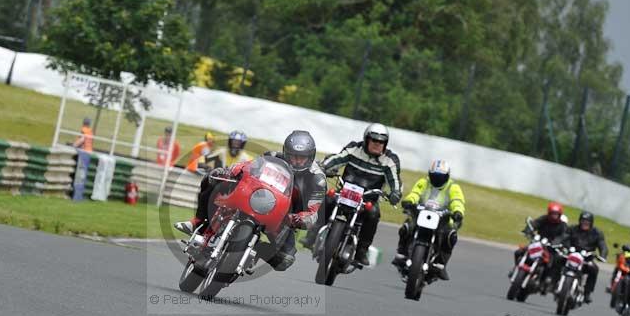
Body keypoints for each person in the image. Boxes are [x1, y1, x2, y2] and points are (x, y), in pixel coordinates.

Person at [174, 130, 325, 271]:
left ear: (310, 157)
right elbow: (248, 166)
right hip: (257, 198)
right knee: (212, 179)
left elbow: (313, 212)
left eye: (302, 158)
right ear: (286, 152)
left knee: (285, 260)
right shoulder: (273, 157)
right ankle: (198, 221)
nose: (297, 161)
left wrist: (298, 219)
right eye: (293, 156)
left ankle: (255, 248)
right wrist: (230, 171)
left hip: (284, 217)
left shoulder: (317, 179)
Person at [303, 122, 402, 267]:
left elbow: (395, 181)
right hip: (345, 191)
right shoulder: (354, 148)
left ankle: (362, 250)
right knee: (329, 198)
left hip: (368, 198)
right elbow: (337, 159)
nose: (377, 144)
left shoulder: (390, 160)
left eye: (381, 142)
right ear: (366, 139)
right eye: (374, 140)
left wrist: (395, 193)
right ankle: (312, 235)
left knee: (373, 214)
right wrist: (323, 167)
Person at [392, 159, 465, 281]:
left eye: (440, 177)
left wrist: (458, 212)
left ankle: (441, 264)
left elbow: (457, 200)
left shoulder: (453, 187)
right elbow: (415, 193)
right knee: (407, 227)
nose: (437, 179)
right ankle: (402, 253)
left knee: (451, 235)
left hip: (443, 219)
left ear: (447, 176)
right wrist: (409, 201)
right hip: (421, 214)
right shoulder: (424, 182)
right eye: (434, 176)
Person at [562, 211, 608, 303]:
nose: (585, 223)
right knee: (558, 259)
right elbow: (565, 238)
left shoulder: (597, 233)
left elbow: (603, 246)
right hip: (571, 254)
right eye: (583, 221)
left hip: (587, 258)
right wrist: (566, 247)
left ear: (591, 223)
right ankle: (552, 281)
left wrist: (602, 255)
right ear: (579, 221)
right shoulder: (573, 229)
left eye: (587, 222)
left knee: (594, 269)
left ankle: (587, 293)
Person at [511, 201, 568, 274]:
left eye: (556, 214)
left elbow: (564, 235)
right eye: (552, 213)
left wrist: (556, 242)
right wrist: (528, 230)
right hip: (538, 244)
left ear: (559, 214)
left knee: (554, 262)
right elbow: (535, 223)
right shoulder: (544, 219)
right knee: (518, 252)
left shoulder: (562, 225)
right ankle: (516, 268)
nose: (554, 216)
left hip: (551, 248)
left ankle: (548, 279)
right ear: (549, 213)